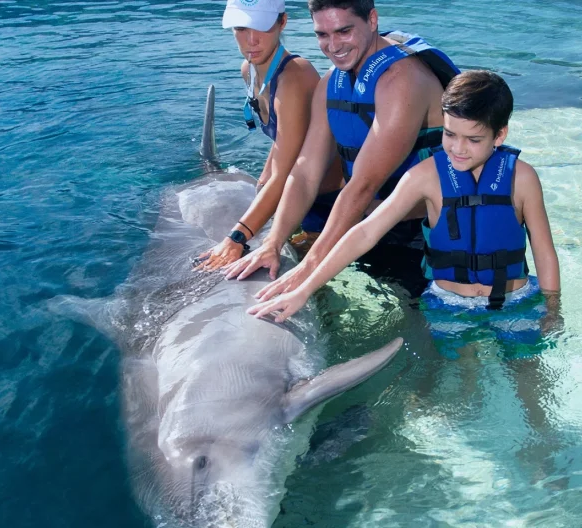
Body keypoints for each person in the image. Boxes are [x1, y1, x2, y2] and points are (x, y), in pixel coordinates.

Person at [246, 70, 561, 335]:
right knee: (464, 391)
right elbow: (365, 232)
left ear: (500, 134)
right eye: (449, 135)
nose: (458, 149)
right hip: (449, 304)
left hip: (515, 299)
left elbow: (544, 250)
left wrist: (552, 307)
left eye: (473, 139)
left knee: (531, 387)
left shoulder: (523, 178)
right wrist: (305, 287)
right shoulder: (424, 176)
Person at [223, 0, 460, 296]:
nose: (333, 46)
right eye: (322, 35)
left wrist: (308, 269)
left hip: (425, 238)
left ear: (372, 20)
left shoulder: (402, 81)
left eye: (343, 31)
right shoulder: (331, 83)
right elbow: (305, 172)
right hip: (368, 228)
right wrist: (272, 242)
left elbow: (362, 185)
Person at [193, 0, 343, 271]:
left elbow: (286, 173)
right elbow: (282, 143)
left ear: (282, 22)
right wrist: (260, 190)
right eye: (241, 28)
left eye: (262, 27)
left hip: (326, 204)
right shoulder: (248, 69)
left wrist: (237, 236)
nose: (251, 40)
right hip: (296, 198)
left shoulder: (295, 76)